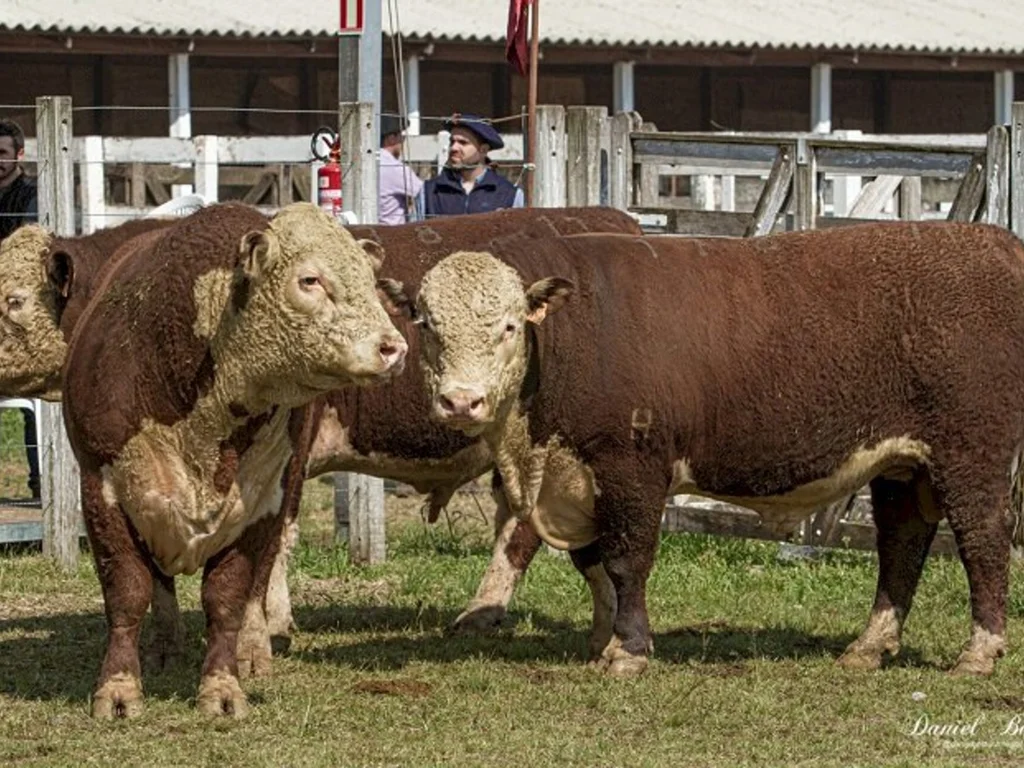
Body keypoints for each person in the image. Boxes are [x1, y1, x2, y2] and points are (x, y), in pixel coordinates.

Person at [0, 118, 40, 499]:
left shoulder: (32, 196)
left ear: (20, 155)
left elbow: (26, 254)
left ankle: (39, 483)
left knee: (37, 398)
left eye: (2, 153)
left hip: (19, 311)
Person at [417, 113, 524, 218]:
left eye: (463, 143)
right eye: (452, 142)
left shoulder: (509, 195)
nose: (454, 148)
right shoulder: (428, 193)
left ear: (483, 150)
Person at [378, 118, 423, 225]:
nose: (402, 142)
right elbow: (423, 192)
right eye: (401, 137)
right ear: (391, 138)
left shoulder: (366, 163)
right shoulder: (395, 168)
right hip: (392, 230)